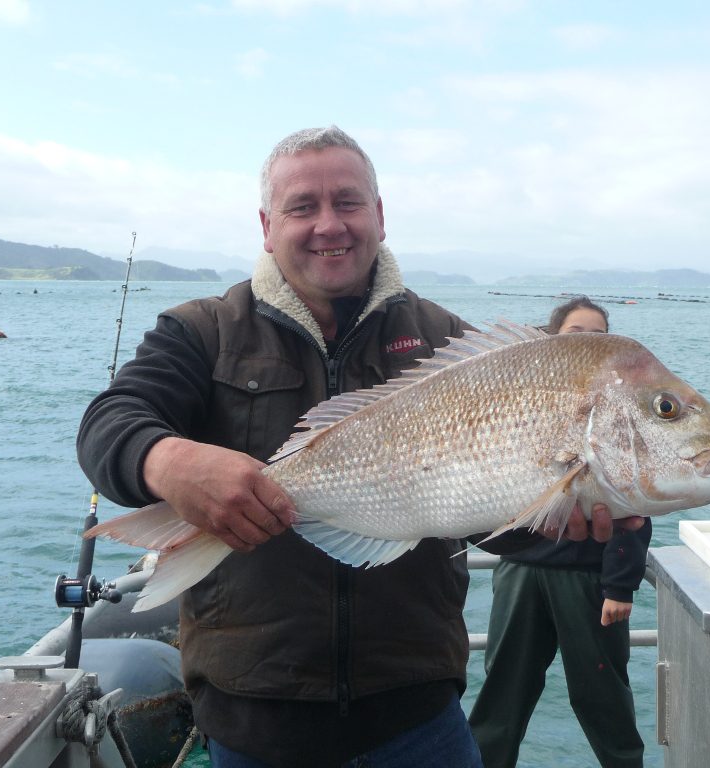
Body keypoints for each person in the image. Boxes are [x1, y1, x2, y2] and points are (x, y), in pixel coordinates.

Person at [76, 127, 633, 768]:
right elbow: (109, 422)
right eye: (302, 207)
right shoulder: (202, 331)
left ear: (379, 215)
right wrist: (169, 462)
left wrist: (556, 517)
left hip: (419, 714)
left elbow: (487, 517)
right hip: (255, 720)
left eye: (347, 202)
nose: (328, 225)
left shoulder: (446, 341)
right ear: (266, 225)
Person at [469, 296, 651, 768]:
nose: (587, 340)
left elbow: (634, 508)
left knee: (603, 696)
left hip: (590, 581)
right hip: (520, 573)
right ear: (552, 339)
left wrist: (620, 586)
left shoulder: (614, 408)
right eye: (576, 333)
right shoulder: (521, 401)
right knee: (502, 691)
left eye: (598, 335)